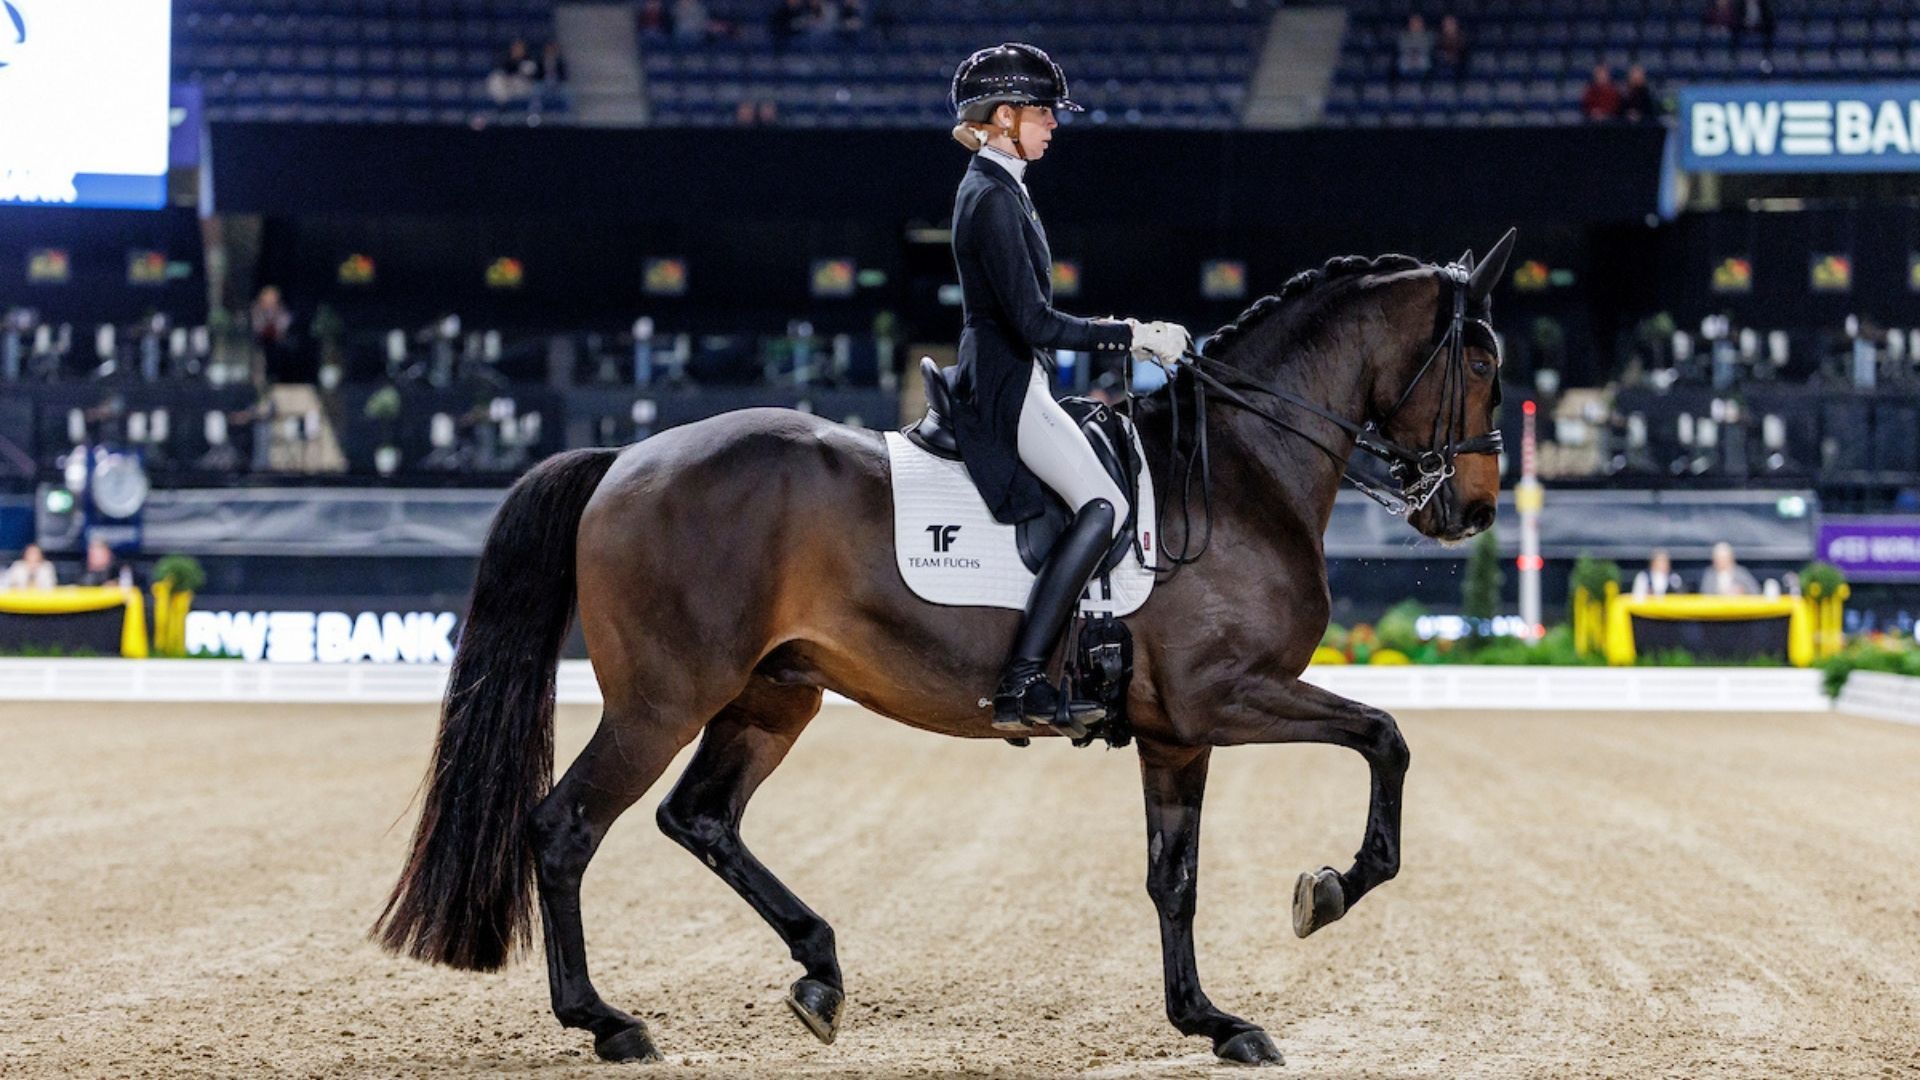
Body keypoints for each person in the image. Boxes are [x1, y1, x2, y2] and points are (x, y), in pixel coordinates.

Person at [945, 42, 1188, 731]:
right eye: (1043, 113)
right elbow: (1033, 320)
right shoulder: (989, 197)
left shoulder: (1004, 186)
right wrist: (1130, 333)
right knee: (1104, 506)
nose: (1054, 124)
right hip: (1005, 375)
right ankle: (1023, 680)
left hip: (1019, 370)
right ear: (1001, 117)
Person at [1395, 14, 1434, 79]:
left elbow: (1427, 48)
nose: (1415, 25)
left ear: (1422, 24)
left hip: (1422, 56)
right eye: (1413, 23)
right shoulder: (1404, 35)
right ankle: (1405, 82)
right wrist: (1411, 54)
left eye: (1418, 23)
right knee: (1402, 64)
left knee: (1426, 63)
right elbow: (1402, 47)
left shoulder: (1428, 36)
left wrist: (1417, 54)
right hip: (1407, 56)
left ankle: (1424, 82)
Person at [1435, 15, 1469, 79]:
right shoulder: (1439, 39)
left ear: (1456, 25)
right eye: (1447, 25)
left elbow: (1464, 55)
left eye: (1451, 24)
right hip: (1443, 65)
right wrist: (1445, 57)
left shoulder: (1462, 39)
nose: (1449, 27)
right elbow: (1437, 53)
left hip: (1459, 67)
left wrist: (1454, 58)